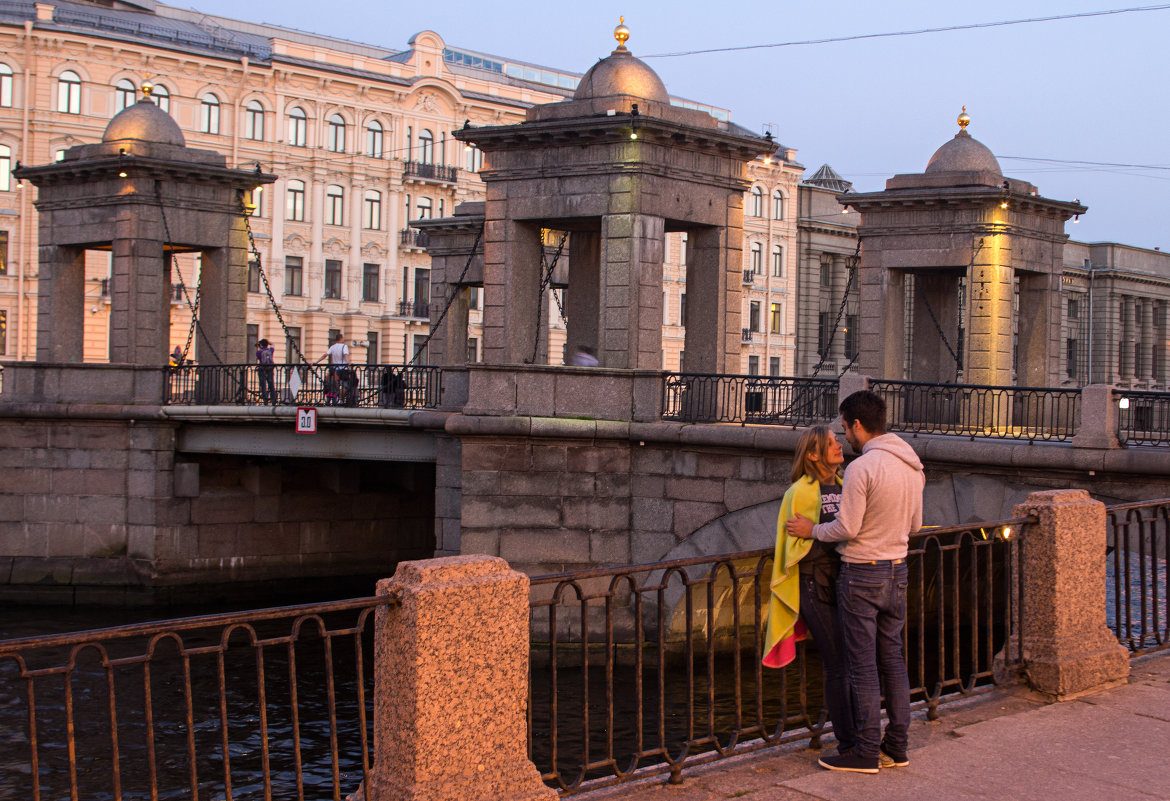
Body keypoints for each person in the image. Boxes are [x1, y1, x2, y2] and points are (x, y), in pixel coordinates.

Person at [787, 390, 924, 774]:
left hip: (862, 573)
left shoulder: (864, 468)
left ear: (858, 425)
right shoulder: (913, 465)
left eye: (845, 429)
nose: (845, 437)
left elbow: (847, 528)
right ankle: (896, 746)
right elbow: (915, 525)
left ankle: (864, 750)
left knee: (862, 667)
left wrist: (813, 529)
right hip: (898, 570)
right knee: (893, 661)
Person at [763, 425, 856, 758]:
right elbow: (791, 548)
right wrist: (818, 535)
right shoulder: (798, 493)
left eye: (837, 440)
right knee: (837, 664)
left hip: (846, 581)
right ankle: (848, 742)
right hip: (815, 584)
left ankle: (858, 736)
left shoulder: (847, 486)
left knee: (854, 662)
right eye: (831, 443)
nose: (839, 445)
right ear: (814, 454)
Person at [318, 333, 353, 406]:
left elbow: (325, 355)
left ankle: (334, 399)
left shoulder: (333, 347)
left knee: (335, 386)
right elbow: (345, 354)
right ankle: (340, 398)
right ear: (341, 339)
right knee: (345, 386)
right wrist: (349, 362)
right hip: (343, 369)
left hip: (335, 369)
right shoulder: (344, 346)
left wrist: (317, 361)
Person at [255, 338, 276, 405]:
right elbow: (273, 345)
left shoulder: (259, 352)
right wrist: (269, 343)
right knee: (271, 384)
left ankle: (265, 400)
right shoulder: (270, 350)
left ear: (260, 345)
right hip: (270, 369)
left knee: (263, 385)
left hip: (262, 369)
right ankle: (273, 400)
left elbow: (258, 358)